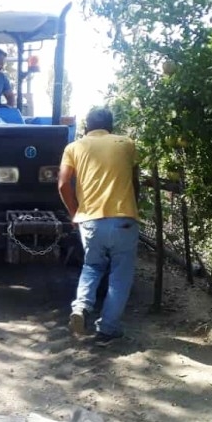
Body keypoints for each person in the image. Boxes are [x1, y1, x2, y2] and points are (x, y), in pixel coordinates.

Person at [58, 106, 140, 347]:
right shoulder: (127, 144)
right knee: (119, 275)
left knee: (92, 266)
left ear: (86, 126)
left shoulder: (74, 147)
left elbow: (63, 184)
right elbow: (135, 183)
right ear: (111, 127)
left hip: (90, 221)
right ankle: (108, 328)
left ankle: (82, 307)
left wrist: (75, 214)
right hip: (124, 218)